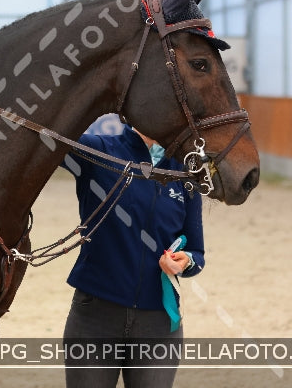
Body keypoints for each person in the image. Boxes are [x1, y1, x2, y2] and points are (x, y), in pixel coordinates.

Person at [60, 124, 205, 388]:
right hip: (95, 318)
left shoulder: (185, 172)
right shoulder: (100, 150)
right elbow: (45, 135)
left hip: (159, 324)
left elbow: (197, 253)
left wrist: (185, 261)